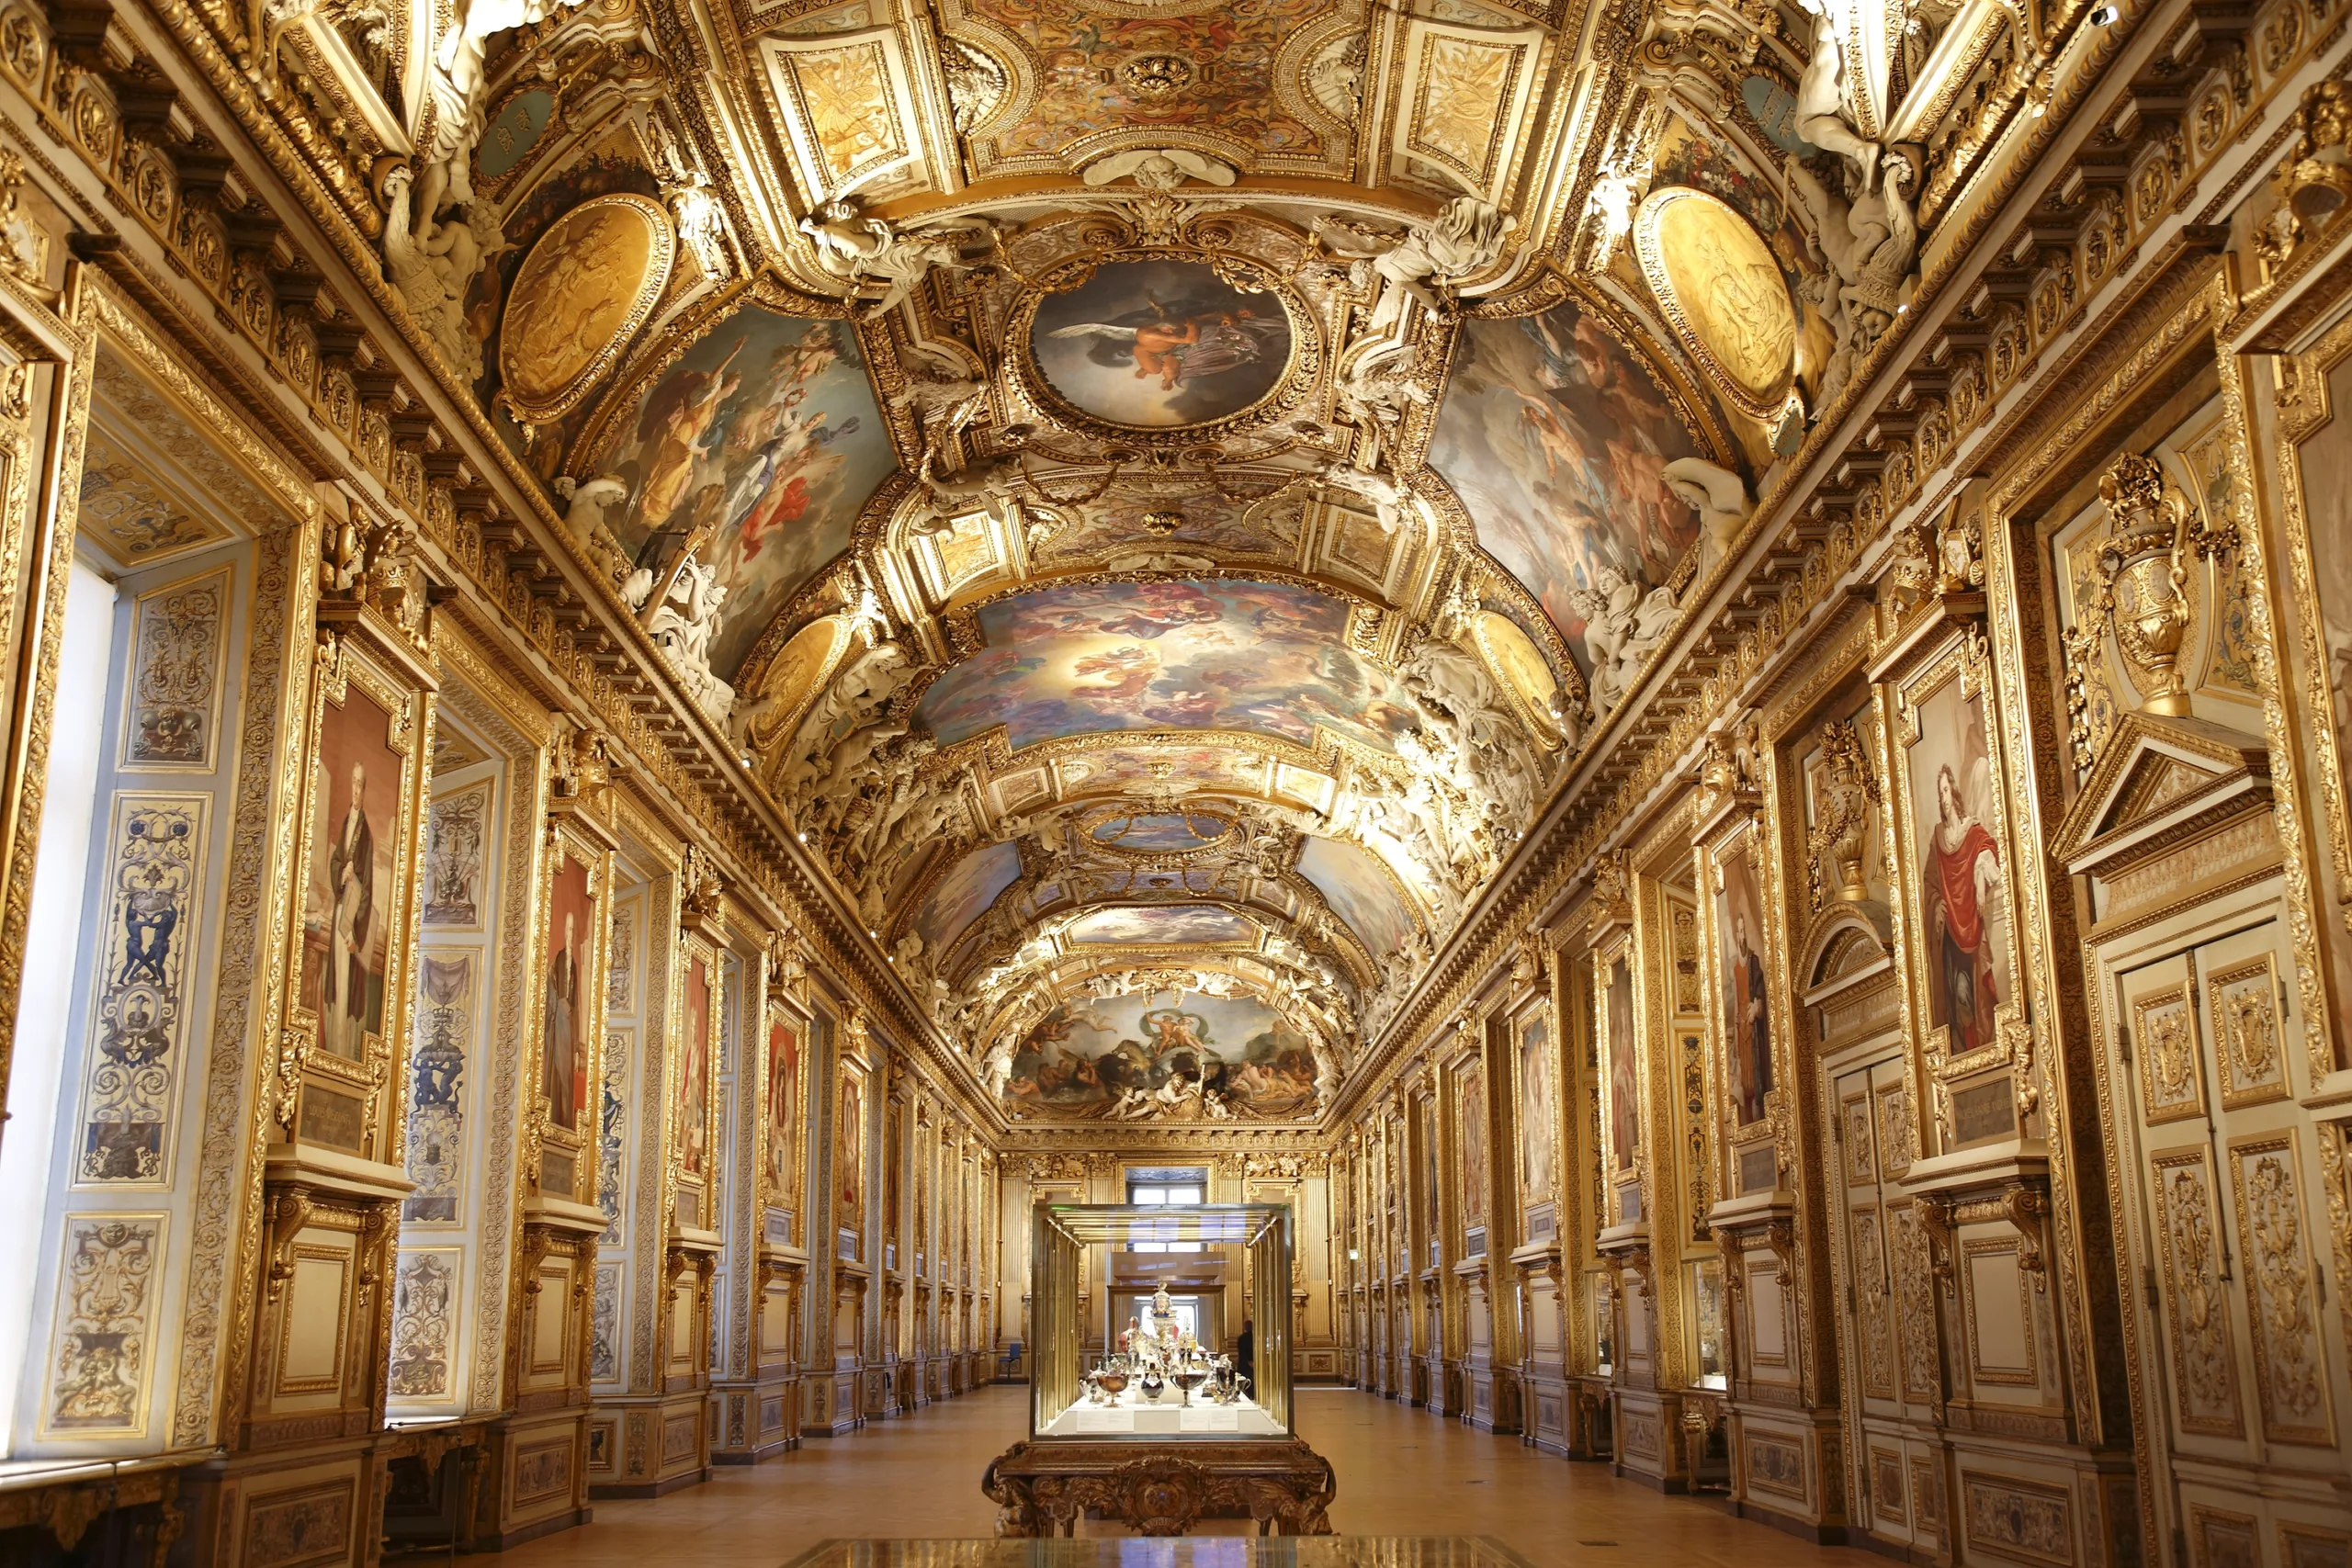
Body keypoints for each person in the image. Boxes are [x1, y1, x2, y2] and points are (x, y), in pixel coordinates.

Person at [1236, 1317, 1255, 1387]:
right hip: (1253, 1362)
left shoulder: (1241, 1338)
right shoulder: (1255, 1338)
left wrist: (1247, 1361)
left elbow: (1241, 1352)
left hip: (1243, 1363)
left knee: (1243, 1383)